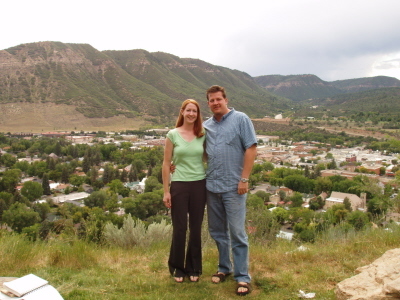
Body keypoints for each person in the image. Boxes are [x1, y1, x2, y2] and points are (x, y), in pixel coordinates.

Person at [203, 85, 257, 296]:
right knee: (217, 231)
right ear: (208, 103)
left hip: (235, 187)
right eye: (211, 100)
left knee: (237, 232)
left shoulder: (241, 119)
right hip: (212, 186)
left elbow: (251, 148)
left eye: (218, 99)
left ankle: (242, 276)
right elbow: (203, 154)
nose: (215, 103)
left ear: (225, 99)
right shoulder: (206, 125)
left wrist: (244, 178)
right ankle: (224, 268)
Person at [162, 99, 207, 283]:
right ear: (182, 112)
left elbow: (208, 157)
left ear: (198, 114)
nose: (191, 114)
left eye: (194, 111)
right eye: (188, 110)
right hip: (179, 185)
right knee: (180, 228)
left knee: (196, 228)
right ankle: (177, 267)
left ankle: (194, 267)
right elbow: (166, 163)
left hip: (199, 185)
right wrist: (166, 191)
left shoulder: (203, 134)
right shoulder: (172, 134)